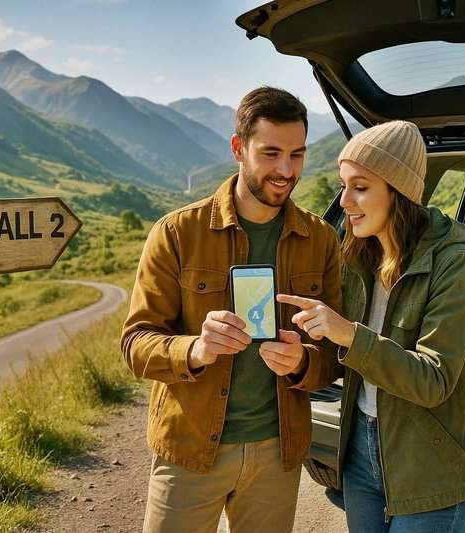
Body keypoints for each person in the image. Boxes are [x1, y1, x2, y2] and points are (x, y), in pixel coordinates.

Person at [121, 86, 343, 533]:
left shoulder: (322, 240)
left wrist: (303, 363)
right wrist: (196, 350)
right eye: (271, 153)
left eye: (297, 154)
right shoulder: (177, 233)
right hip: (188, 450)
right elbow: (134, 345)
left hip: (276, 455)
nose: (286, 170)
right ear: (239, 148)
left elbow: (335, 356)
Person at [278, 120, 465, 532]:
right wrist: (301, 355)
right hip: (360, 449)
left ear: (400, 192)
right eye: (343, 185)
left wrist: (346, 334)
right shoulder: (357, 257)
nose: (344, 201)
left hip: (430, 460)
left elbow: (432, 380)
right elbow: (342, 356)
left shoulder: (455, 263)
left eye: (360, 187)